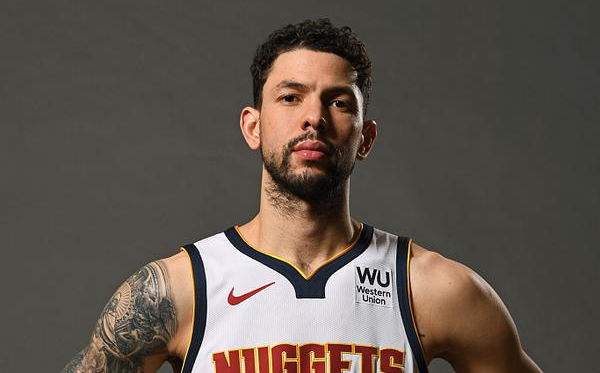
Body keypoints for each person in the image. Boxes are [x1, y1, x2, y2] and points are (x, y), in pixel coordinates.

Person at [61, 19, 542, 373]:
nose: (313, 117)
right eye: (290, 97)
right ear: (253, 126)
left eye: (338, 101)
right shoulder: (179, 290)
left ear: (365, 138)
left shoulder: (431, 288)